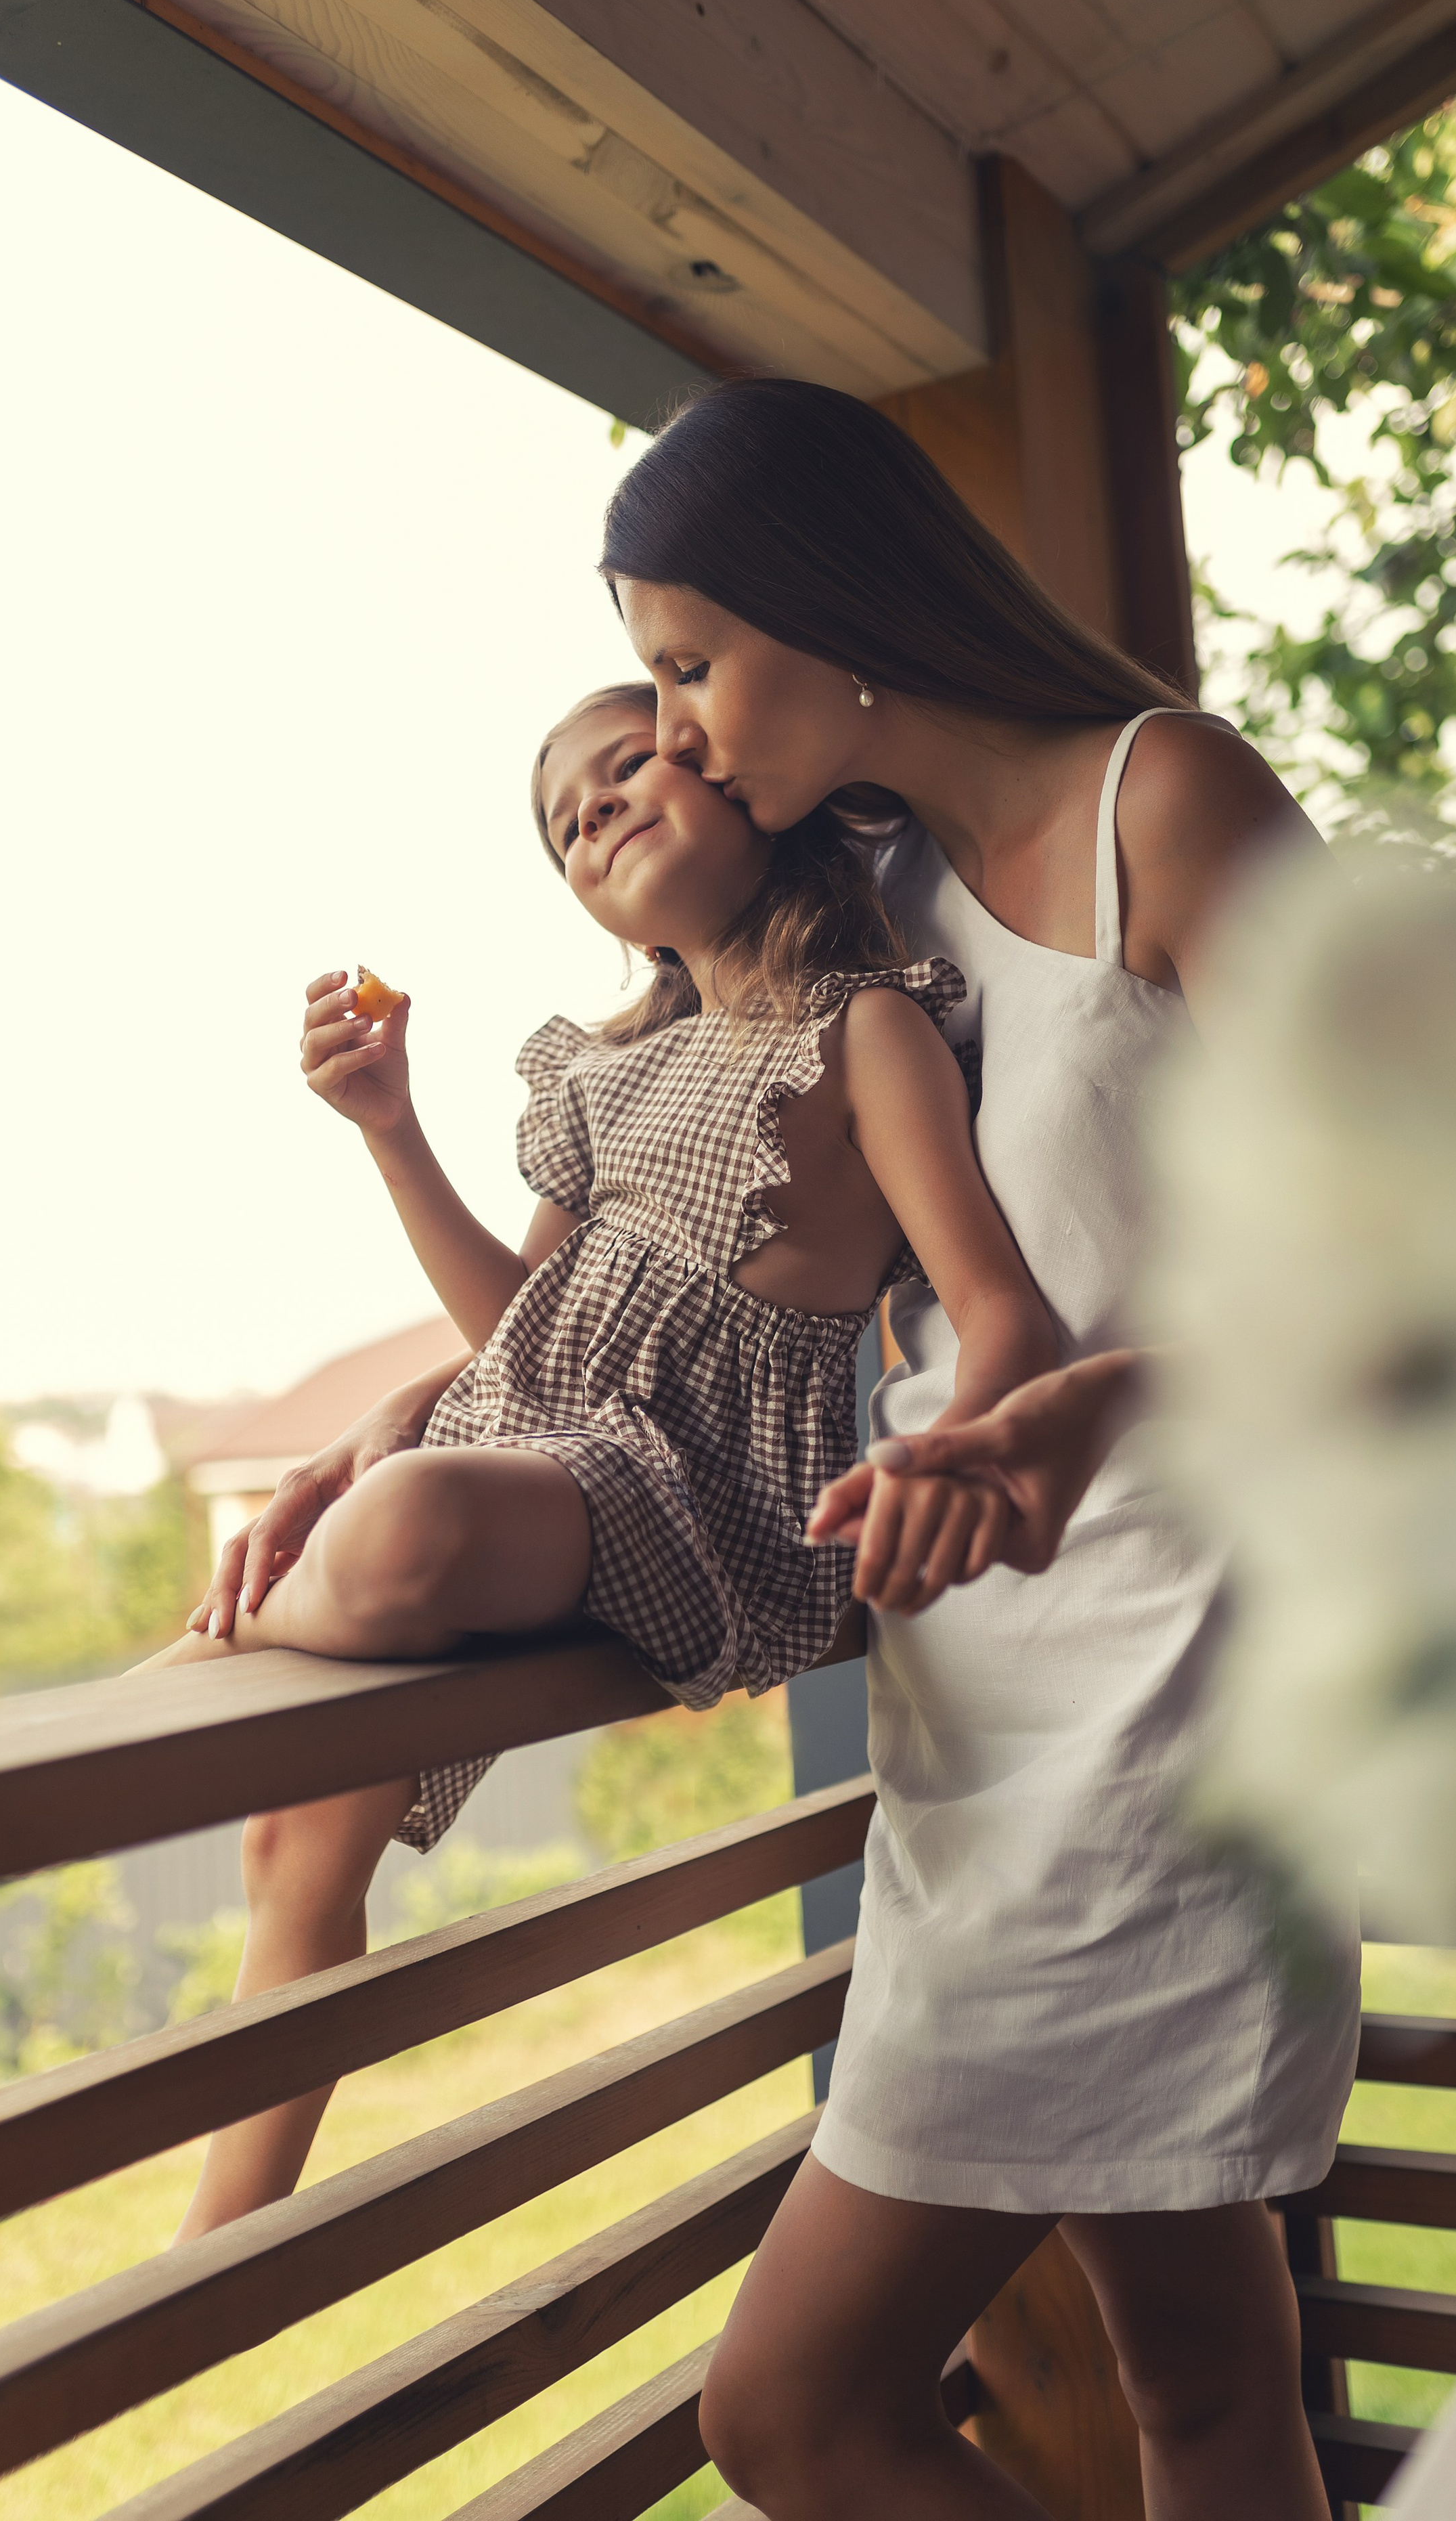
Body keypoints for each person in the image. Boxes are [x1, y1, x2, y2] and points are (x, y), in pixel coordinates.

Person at [598, 378, 1359, 2521]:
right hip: (971, 1714)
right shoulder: (868, 901)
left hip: (1178, 1712)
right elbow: (666, 1216)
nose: (672, 736)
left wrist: (1088, 1405)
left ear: (828, 614)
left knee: (789, 2411)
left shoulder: (1168, 800)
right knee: (1205, 2390)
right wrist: (409, 1430)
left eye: (690, 665)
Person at [149, 678, 1057, 2241]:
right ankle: (194, 2270)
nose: (599, 811)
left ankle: (194, 1661)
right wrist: (390, 1129)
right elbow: (521, 1323)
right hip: (543, 1444)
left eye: (629, 766)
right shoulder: (603, 1069)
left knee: (399, 1522)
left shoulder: (868, 1027)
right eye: (568, 821)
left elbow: (993, 1302)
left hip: (701, 1490)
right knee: (299, 1830)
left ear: (741, 789)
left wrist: (960, 1451)